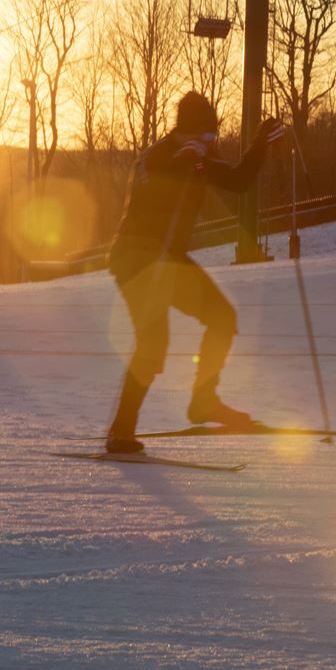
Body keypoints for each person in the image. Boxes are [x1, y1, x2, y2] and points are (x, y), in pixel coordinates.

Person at [104, 91, 285, 454]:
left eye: (213, 137)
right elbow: (150, 185)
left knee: (222, 316)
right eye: (206, 137)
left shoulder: (199, 161)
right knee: (153, 342)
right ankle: (121, 432)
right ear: (188, 133)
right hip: (138, 259)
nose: (211, 144)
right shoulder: (158, 155)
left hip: (169, 260)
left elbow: (238, 180)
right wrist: (179, 162)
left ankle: (204, 401)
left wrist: (261, 142)